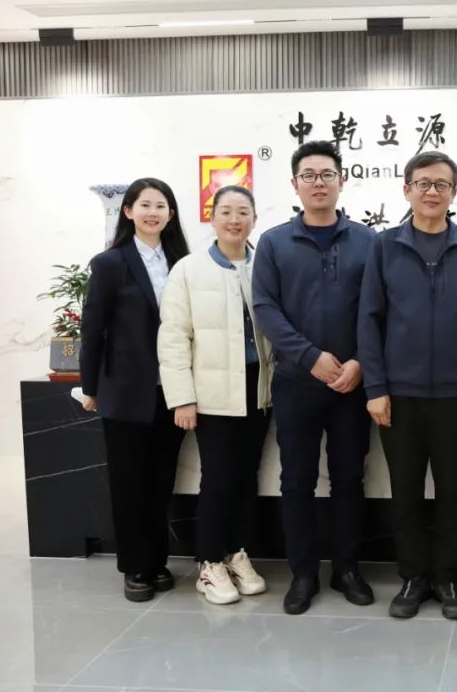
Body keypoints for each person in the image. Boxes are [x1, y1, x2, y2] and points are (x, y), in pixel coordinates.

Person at [358, 150, 457, 621]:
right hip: (399, 395)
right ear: (407, 190)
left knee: (453, 490)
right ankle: (413, 577)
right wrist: (375, 387)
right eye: (423, 183)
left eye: (441, 184)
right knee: (406, 491)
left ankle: (450, 578)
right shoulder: (384, 246)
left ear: (454, 193)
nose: (432, 192)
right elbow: (369, 319)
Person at [253, 141, 376, 615]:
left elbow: (378, 309)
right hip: (296, 383)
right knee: (296, 481)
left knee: (349, 479)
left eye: (327, 174)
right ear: (295, 184)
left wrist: (359, 361)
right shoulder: (274, 242)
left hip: (352, 384)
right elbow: (266, 308)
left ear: (342, 181)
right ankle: (303, 574)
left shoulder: (368, 241)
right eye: (309, 175)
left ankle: (347, 570)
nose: (318, 183)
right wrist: (309, 357)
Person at [158, 185, 273, 605]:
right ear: (212, 217)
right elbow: (174, 337)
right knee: (218, 478)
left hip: (258, 389)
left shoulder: (265, 266)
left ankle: (236, 553)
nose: (235, 220)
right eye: (226, 211)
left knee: (246, 477)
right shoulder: (188, 270)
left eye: (243, 212)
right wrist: (182, 398)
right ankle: (208, 563)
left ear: (255, 219)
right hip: (211, 394)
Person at [79, 177, 190, 602]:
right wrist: (91, 386)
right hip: (126, 391)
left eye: (160, 206)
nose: (152, 213)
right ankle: (135, 567)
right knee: (128, 483)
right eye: (144, 205)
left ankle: (157, 560)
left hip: (172, 391)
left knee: (161, 482)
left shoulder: (182, 261)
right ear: (128, 211)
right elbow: (93, 330)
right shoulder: (110, 263)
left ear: (171, 214)